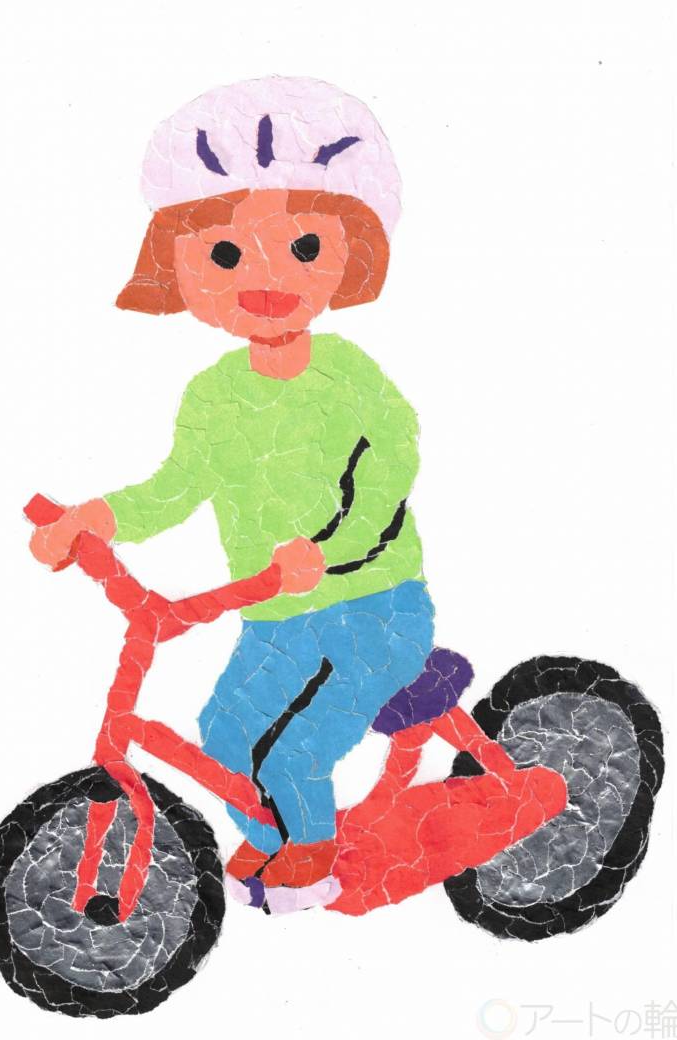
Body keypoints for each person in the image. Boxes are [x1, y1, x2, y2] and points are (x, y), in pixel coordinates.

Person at [30, 76, 434, 894]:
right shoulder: (214, 394)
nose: (265, 277)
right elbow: (175, 488)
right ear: (178, 268)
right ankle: (274, 835)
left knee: (294, 750)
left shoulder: (347, 374)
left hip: (375, 606)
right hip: (273, 613)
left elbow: (388, 473)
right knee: (222, 733)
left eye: (304, 248)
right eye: (223, 255)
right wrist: (90, 519)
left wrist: (326, 551)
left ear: (349, 255)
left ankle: (311, 856)